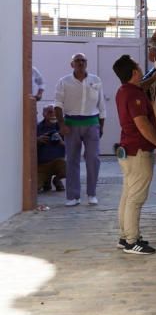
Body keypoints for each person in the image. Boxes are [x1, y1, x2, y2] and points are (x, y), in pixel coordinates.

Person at [112, 55, 156, 255]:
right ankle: (132, 241)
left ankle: (125, 236)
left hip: (127, 151)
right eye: (138, 67)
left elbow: (141, 87)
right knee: (136, 199)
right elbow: (142, 124)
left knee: (127, 195)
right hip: (138, 151)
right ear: (134, 72)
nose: (140, 69)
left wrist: (154, 78)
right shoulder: (135, 96)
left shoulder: (125, 91)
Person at [53, 53, 105, 206]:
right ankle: (73, 196)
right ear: (72, 64)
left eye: (83, 60)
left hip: (92, 123)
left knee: (93, 159)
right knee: (72, 160)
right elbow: (58, 104)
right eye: (77, 61)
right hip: (71, 124)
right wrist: (61, 124)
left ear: (86, 63)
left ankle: (92, 194)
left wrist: (101, 126)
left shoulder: (96, 81)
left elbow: (101, 106)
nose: (81, 63)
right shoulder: (64, 82)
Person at [36, 105, 66, 193]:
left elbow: (72, 147)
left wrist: (61, 141)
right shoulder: (37, 128)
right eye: (49, 112)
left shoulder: (62, 127)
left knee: (70, 167)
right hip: (41, 165)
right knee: (35, 188)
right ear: (43, 114)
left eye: (55, 112)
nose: (53, 115)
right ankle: (46, 180)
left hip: (58, 162)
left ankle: (57, 179)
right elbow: (27, 144)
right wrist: (37, 140)